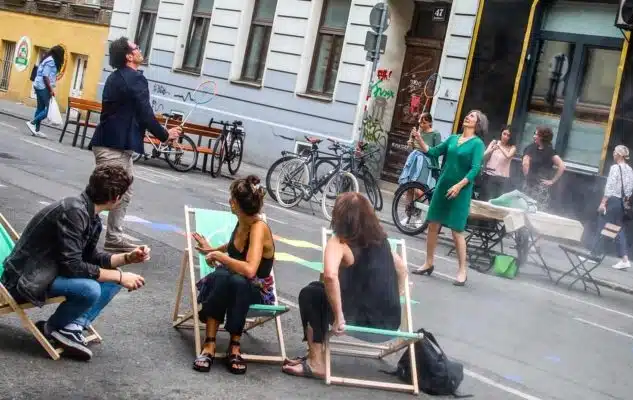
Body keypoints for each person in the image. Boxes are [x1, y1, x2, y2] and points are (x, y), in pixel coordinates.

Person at [0, 165, 149, 361]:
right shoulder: (73, 211)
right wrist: (120, 277)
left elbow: (90, 256)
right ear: (116, 198)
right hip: (24, 280)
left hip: (47, 272)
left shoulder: (87, 213)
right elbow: (73, 265)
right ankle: (55, 328)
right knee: (91, 288)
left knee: (112, 276)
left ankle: (72, 326)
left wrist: (128, 258)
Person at [282, 192, 407, 379]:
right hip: (389, 325)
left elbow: (331, 277)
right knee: (317, 288)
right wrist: (398, 293)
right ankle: (315, 354)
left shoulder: (340, 241)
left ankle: (316, 362)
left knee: (310, 294)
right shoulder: (383, 242)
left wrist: (339, 317)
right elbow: (402, 269)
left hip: (357, 322)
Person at [90, 36, 181, 253]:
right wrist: (165, 134)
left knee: (124, 191)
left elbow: (135, 114)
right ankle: (76, 229)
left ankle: (113, 236)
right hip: (113, 147)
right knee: (105, 194)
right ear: (129, 56)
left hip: (114, 145)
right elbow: (145, 114)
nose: (140, 49)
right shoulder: (135, 79)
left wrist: (162, 133)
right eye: (135, 48)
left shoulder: (117, 77)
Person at [191, 175, 276, 375]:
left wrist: (220, 257)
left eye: (231, 198)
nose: (230, 202)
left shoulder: (258, 228)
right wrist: (210, 250)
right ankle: (209, 343)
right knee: (222, 276)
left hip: (255, 289)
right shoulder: (242, 222)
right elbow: (233, 247)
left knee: (238, 281)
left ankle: (235, 346)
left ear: (235, 203)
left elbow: (250, 270)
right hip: (230, 282)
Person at [411, 110, 487, 285]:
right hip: (444, 185)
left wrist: (459, 185)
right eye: (468, 114)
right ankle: (428, 263)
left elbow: (475, 169)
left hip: (461, 190)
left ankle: (462, 271)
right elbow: (433, 152)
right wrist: (419, 138)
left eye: (472, 116)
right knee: (432, 224)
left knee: (456, 230)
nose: (468, 116)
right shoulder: (453, 138)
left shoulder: (477, 144)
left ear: (478, 124)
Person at [590, 145, 633, 270]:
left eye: (614, 152)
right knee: (616, 228)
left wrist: (603, 202)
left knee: (603, 225)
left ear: (619, 155)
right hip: (622, 202)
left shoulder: (615, 168)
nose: (613, 154)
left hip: (612, 200)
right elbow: (629, 190)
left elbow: (610, 186)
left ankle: (595, 255)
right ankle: (622, 258)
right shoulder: (629, 170)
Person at [398, 112, 442, 226]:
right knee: (409, 189)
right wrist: (410, 142)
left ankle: (418, 217)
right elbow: (412, 147)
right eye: (420, 121)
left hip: (426, 162)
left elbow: (436, 152)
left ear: (430, 123)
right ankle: (407, 216)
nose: (421, 124)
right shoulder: (417, 131)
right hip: (414, 159)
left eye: (424, 122)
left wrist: (419, 139)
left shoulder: (435, 134)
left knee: (419, 191)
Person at [25, 45, 65, 138]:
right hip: (43, 86)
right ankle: (32, 123)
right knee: (48, 109)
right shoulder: (51, 61)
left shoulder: (47, 58)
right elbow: (45, 76)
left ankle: (36, 130)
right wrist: (51, 90)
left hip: (38, 85)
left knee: (40, 108)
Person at [521, 126, 565, 211]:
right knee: (538, 211)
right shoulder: (550, 151)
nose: (534, 136)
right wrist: (552, 181)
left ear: (542, 137)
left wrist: (527, 176)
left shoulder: (531, 148)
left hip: (532, 185)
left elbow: (525, 163)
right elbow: (562, 166)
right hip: (541, 187)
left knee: (525, 210)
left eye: (536, 134)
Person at [482, 125, 516, 199]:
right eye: (504, 134)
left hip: (502, 178)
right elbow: (483, 156)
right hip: (489, 174)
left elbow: (508, 156)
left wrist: (500, 146)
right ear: (501, 133)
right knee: (485, 198)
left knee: (497, 199)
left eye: (508, 135)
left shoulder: (512, 147)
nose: (505, 136)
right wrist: (492, 149)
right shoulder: (494, 142)